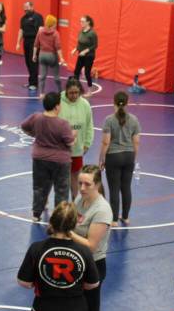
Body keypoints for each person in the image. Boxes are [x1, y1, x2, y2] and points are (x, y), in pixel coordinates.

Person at [68, 166, 113, 311]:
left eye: (87, 184)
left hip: (93, 265)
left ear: (97, 185)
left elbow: (91, 245)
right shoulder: (80, 199)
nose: (82, 188)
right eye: (80, 183)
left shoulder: (102, 210)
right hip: (80, 264)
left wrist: (66, 233)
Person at [21, 92, 75, 222]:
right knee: (61, 189)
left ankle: (36, 214)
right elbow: (70, 143)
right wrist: (74, 135)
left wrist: (34, 134)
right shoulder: (63, 124)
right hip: (60, 161)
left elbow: (23, 126)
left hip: (40, 158)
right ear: (57, 106)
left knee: (39, 186)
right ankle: (59, 218)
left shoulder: (36, 117)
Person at [99, 91, 141, 226]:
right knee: (126, 187)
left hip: (114, 156)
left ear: (114, 102)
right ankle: (126, 217)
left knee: (114, 189)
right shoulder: (134, 120)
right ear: (127, 103)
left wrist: (102, 158)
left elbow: (106, 142)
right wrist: (134, 157)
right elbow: (136, 142)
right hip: (129, 156)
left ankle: (114, 219)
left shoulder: (109, 120)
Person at [60, 78, 94, 197]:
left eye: (76, 93)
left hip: (77, 149)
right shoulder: (58, 103)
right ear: (66, 91)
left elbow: (90, 125)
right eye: (71, 93)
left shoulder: (85, 105)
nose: (74, 95)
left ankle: (75, 202)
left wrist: (87, 144)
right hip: (61, 149)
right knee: (60, 178)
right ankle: (59, 202)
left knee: (76, 177)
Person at [34, 14, 66, 94]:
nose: (55, 25)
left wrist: (34, 55)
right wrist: (61, 58)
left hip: (42, 55)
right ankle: (60, 91)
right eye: (55, 23)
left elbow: (36, 44)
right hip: (52, 56)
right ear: (52, 24)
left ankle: (41, 93)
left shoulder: (40, 31)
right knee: (56, 76)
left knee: (42, 76)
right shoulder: (55, 33)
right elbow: (58, 47)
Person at [16, 1, 43, 90]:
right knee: (28, 61)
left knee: (33, 61)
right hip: (26, 41)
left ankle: (34, 83)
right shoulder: (23, 18)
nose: (25, 9)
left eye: (27, 7)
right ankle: (31, 81)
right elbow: (21, 30)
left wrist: (39, 43)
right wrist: (18, 43)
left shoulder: (38, 17)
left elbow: (41, 30)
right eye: (24, 7)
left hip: (34, 41)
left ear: (32, 7)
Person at [71, 15, 98, 89]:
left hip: (89, 56)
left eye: (83, 21)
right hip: (81, 55)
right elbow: (80, 43)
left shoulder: (92, 33)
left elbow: (95, 45)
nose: (81, 23)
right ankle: (76, 88)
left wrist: (85, 51)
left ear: (88, 22)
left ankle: (89, 90)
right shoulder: (81, 31)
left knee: (87, 73)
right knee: (76, 72)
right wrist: (75, 49)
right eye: (80, 21)